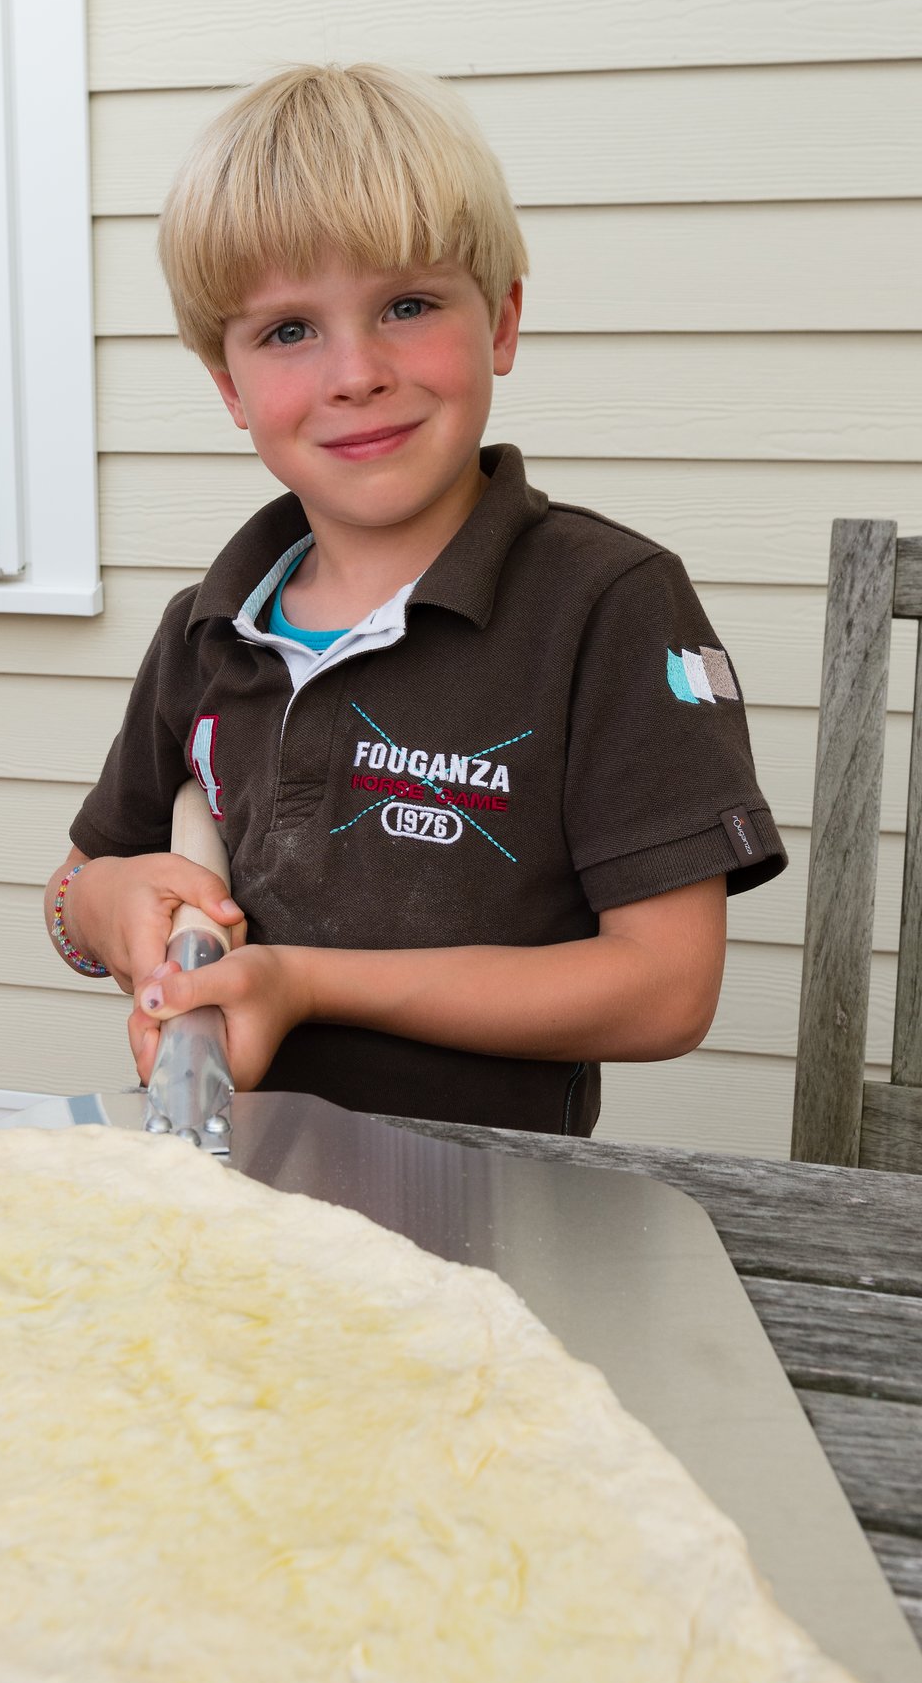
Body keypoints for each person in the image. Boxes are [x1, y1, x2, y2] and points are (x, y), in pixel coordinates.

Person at [43, 63, 785, 1136]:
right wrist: (96, 909)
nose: (355, 372)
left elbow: (664, 989)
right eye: (288, 331)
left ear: (500, 324)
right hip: (222, 1186)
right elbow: (71, 895)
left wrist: (304, 983)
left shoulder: (607, 605)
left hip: (493, 1208)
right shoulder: (206, 631)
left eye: (405, 305)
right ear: (228, 388)